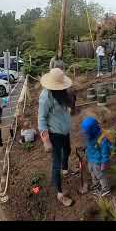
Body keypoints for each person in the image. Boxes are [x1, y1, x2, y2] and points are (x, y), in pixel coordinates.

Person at [38, 68, 74, 207]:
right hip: (54, 134)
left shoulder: (61, 93)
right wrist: (46, 140)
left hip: (65, 131)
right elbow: (41, 119)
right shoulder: (45, 97)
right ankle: (59, 193)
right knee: (56, 163)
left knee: (69, 150)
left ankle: (66, 170)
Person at [80, 116, 113, 197]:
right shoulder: (89, 136)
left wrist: (103, 163)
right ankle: (96, 185)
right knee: (92, 172)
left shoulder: (102, 139)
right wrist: (85, 148)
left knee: (100, 175)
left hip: (98, 161)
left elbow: (105, 152)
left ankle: (106, 189)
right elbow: (89, 145)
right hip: (91, 159)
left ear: (93, 130)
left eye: (86, 132)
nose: (85, 134)